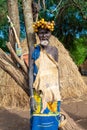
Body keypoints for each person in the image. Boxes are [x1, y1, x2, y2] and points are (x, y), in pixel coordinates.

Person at [29, 18, 66, 130]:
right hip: (38, 94)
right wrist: (31, 97)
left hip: (53, 94)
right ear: (37, 34)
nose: (44, 36)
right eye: (41, 33)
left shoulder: (55, 51)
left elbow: (56, 72)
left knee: (52, 123)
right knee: (37, 123)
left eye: (47, 33)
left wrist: (58, 91)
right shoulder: (34, 50)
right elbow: (30, 73)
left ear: (50, 34)